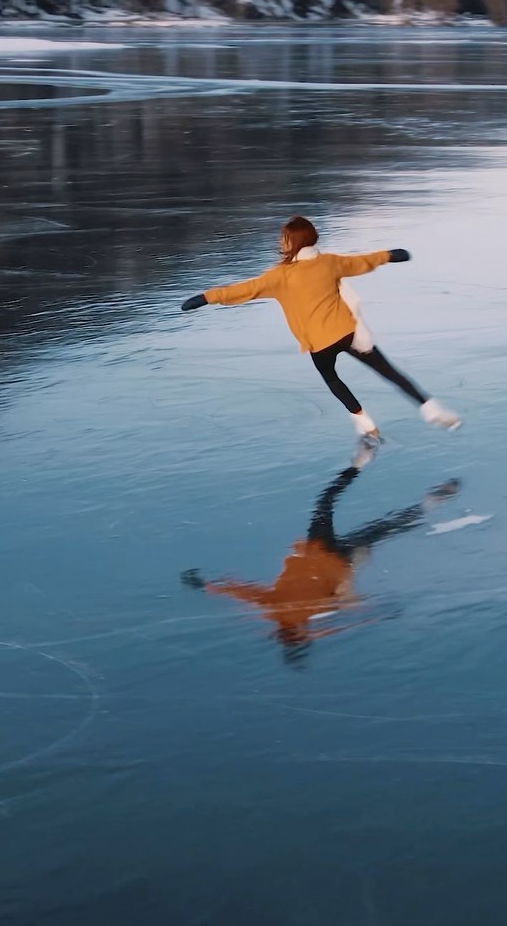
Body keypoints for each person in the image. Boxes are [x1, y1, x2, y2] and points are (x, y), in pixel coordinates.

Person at [181, 216, 461, 440]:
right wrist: (390, 255)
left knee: (333, 379)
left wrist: (205, 298)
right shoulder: (329, 263)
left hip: (320, 342)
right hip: (349, 332)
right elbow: (361, 261)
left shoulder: (279, 277)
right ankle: (432, 409)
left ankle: (365, 423)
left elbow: (243, 290)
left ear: (290, 242)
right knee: (389, 372)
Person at [181, 453, 460, 662]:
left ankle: (401, 485)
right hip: (333, 558)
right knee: (343, 512)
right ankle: (367, 467)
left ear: (291, 635)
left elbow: (241, 592)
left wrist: (207, 586)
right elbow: (350, 610)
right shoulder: (287, 614)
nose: (301, 632)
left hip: (325, 553)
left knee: (373, 524)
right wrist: (377, 610)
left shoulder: (279, 611)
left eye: (297, 635)